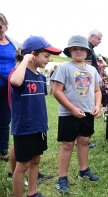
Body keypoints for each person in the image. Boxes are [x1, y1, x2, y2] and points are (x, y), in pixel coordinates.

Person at [10, 35, 61, 197]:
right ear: (32, 55)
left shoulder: (40, 77)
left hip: (39, 127)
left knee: (36, 160)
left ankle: (32, 192)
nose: (48, 59)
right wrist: (25, 59)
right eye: (46, 56)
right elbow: (15, 82)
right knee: (22, 165)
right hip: (24, 128)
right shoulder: (20, 73)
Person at [51, 35, 101, 194]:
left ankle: (84, 171)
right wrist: (72, 108)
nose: (79, 51)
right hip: (68, 114)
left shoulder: (92, 70)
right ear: (70, 51)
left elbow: (97, 90)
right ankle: (62, 178)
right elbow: (56, 91)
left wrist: (97, 105)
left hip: (87, 112)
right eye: (75, 48)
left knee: (84, 141)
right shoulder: (64, 68)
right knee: (68, 144)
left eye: (82, 49)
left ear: (87, 51)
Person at [0, 12, 19, 162]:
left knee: (5, 119)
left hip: (7, 87)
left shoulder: (14, 43)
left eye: (0, 27)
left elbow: (20, 61)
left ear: (6, 27)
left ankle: (3, 150)